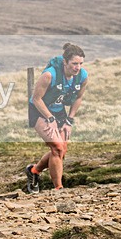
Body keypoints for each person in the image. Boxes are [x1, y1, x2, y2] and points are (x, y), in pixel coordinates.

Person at [25, 43, 89, 192]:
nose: (77, 67)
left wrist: (69, 120)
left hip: (59, 111)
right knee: (57, 147)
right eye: (74, 63)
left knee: (62, 150)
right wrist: (50, 118)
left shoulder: (83, 76)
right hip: (39, 110)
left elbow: (78, 98)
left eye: (80, 64)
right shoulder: (49, 75)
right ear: (64, 62)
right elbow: (36, 99)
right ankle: (58, 189)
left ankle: (33, 171)